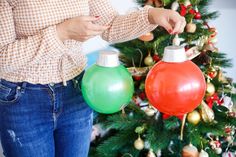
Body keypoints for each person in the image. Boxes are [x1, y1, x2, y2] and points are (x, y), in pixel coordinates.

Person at [0, 0, 186, 157]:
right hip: (22, 99)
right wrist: (61, 33)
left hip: (75, 91)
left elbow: (110, 25)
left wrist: (152, 15)